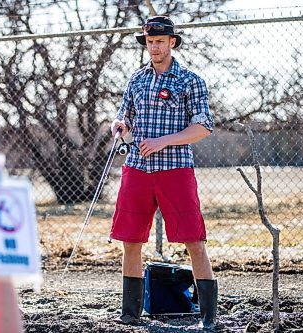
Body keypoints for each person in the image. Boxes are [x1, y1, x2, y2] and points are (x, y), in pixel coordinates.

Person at [110, 15, 218, 330]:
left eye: (159, 41)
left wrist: (162, 142)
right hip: (137, 169)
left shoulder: (190, 80)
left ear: (172, 42)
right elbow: (124, 116)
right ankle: (130, 313)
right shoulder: (136, 79)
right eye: (149, 41)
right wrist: (120, 126)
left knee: (194, 240)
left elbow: (203, 127)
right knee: (130, 240)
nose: (153, 47)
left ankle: (208, 315)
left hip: (176, 170)